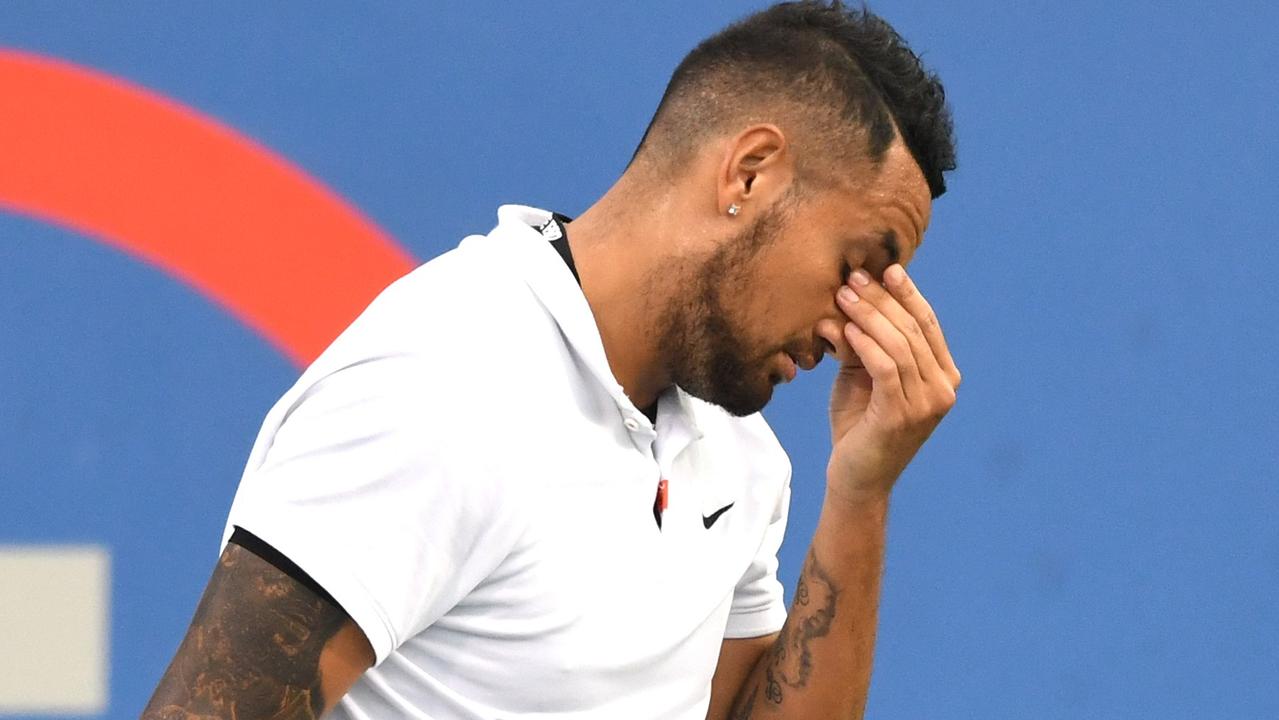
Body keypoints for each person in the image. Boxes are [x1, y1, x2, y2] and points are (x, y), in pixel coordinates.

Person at [142, 1, 959, 718]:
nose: (856, 328)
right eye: (857, 263)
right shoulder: (441, 383)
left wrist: (860, 492)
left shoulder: (745, 464)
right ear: (747, 174)